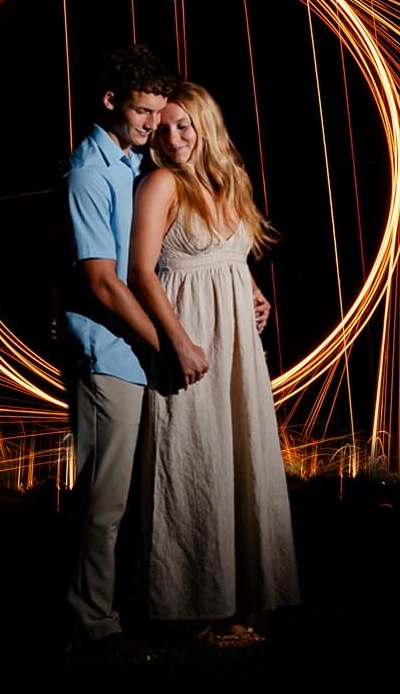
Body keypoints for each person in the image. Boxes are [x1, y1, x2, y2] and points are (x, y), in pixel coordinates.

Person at [129, 81, 300, 644]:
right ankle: (194, 604)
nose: (173, 137)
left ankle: (239, 599)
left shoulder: (228, 183)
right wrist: (177, 341)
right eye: (164, 127)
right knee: (195, 460)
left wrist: (253, 290)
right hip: (194, 339)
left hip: (238, 349)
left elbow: (228, 254)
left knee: (238, 459)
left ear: (206, 127)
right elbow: (142, 272)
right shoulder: (160, 184)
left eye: (184, 126)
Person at [61, 44, 207, 650]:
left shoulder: (130, 164)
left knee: (137, 498)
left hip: (138, 357)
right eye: (143, 111)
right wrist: (165, 344)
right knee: (104, 501)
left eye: (157, 112)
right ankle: (90, 623)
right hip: (108, 357)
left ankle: (128, 605)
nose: (153, 123)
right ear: (110, 102)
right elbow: (101, 281)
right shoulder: (90, 173)